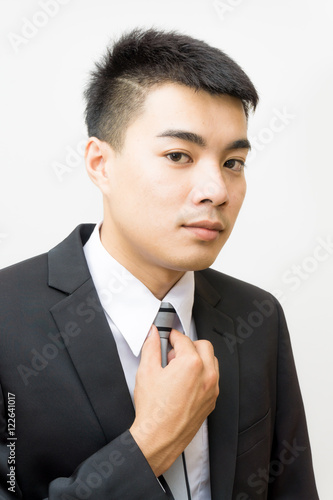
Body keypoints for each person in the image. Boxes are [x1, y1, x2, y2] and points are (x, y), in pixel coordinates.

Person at [0, 28, 319, 499]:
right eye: (178, 155)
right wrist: (149, 444)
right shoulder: (7, 316)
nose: (216, 190)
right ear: (100, 163)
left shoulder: (259, 315)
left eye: (233, 162)